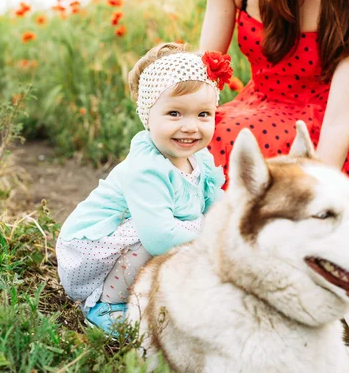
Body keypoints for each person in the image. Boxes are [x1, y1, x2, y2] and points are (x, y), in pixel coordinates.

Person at [56, 43, 228, 334]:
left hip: (150, 235)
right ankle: (107, 306)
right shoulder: (147, 168)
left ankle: (168, 294)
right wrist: (212, 237)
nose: (190, 126)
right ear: (148, 117)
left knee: (201, 226)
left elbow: (219, 209)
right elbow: (159, 237)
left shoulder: (201, 162)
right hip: (92, 250)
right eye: (174, 114)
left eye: (203, 115)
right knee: (157, 231)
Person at [199, 0, 349, 192]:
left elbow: (339, 119)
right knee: (197, 138)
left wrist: (314, 190)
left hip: (318, 126)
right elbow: (202, 73)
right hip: (254, 103)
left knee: (228, 145)